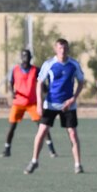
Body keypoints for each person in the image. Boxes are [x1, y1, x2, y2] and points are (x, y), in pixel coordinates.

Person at [25, 38, 85, 175]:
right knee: (41, 133)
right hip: (51, 104)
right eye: (60, 48)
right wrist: (40, 104)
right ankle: (34, 161)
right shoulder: (49, 64)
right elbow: (39, 83)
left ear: (68, 49)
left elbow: (81, 82)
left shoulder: (73, 65)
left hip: (68, 106)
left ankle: (78, 164)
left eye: (64, 48)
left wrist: (73, 99)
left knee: (73, 134)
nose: (62, 51)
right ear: (55, 49)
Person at [1, 49, 56, 159]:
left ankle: (52, 150)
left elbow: (42, 82)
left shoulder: (35, 70)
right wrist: (12, 92)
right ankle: (7, 149)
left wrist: (46, 91)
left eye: (28, 56)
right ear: (21, 57)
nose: (25, 58)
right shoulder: (15, 70)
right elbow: (11, 83)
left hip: (32, 103)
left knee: (42, 125)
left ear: (31, 57)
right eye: (23, 56)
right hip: (18, 102)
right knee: (12, 126)